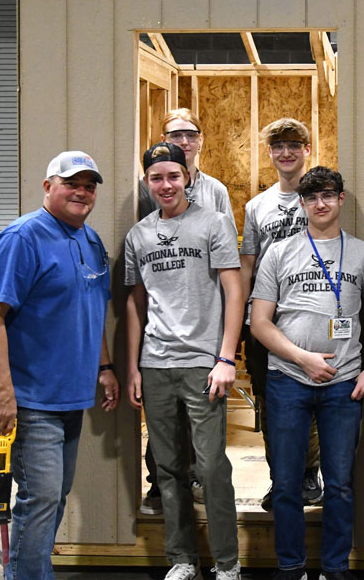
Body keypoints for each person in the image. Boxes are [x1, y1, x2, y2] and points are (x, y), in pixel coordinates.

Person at [0, 150, 119, 580]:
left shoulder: (90, 241)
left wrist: (104, 368)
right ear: (47, 187)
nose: (81, 192)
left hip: (71, 396)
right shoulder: (22, 237)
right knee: (39, 500)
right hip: (30, 399)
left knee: (54, 497)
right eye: (71, 183)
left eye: (89, 185)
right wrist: (2, 393)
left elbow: (92, 314)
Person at [250, 166, 364, 580]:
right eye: (311, 198)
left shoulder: (363, 254)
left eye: (327, 195)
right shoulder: (279, 252)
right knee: (287, 484)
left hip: (345, 384)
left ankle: (335, 566)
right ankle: (290, 565)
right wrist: (303, 358)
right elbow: (259, 323)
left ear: (341, 199)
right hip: (287, 381)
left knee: (340, 484)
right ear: (302, 204)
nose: (320, 203)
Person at [125, 143, 243, 580]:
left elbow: (234, 291)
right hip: (156, 364)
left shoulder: (213, 224)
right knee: (167, 467)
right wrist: (134, 367)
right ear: (147, 183)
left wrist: (226, 356)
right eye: (157, 178)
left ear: (187, 177)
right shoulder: (138, 235)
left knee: (211, 465)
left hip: (203, 365)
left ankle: (228, 563)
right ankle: (182, 559)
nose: (166, 185)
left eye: (173, 175)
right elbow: (136, 303)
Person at [138, 109, 238, 515]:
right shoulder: (149, 189)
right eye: (174, 134)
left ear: (199, 140)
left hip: (203, 330)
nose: (182, 141)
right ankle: (161, 485)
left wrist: (225, 346)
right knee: (164, 429)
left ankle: (198, 483)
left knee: (208, 440)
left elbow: (227, 256)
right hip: (161, 338)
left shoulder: (214, 192)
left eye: (189, 134)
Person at [239, 117, 321, 511]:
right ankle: (281, 479)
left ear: (307, 149)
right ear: (269, 153)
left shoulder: (323, 196)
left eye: (294, 144)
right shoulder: (257, 206)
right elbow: (247, 265)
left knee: (315, 400)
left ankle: (309, 475)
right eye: (278, 146)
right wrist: (242, 318)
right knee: (272, 405)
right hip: (267, 320)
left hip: (312, 313)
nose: (286, 152)